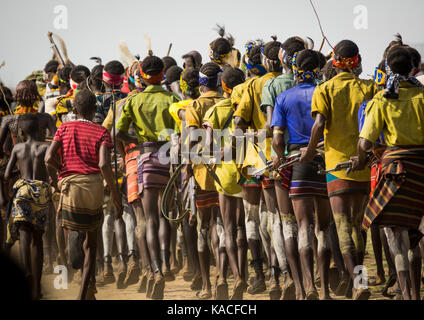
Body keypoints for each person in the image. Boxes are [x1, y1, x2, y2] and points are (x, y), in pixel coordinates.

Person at [300, 40, 378, 300]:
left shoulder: (324, 89)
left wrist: (310, 151)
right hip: (363, 166)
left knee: (343, 224)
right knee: (358, 227)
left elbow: (319, 124)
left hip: (336, 167)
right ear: (356, 61)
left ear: (334, 62)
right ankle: (361, 280)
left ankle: (358, 284)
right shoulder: (368, 87)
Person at [353, 45, 424, 300]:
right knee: (418, 234)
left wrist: (361, 160)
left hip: (396, 171)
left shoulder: (382, 99)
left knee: (396, 235)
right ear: (414, 68)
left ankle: (407, 295)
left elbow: (365, 144)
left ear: (388, 70)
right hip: (422, 168)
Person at [45, 88, 123, 300]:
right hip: (93, 187)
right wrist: (116, 196)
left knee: (71, 229)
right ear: (95, 109)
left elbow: (48, 157)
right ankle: (83, 294)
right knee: (91, 244)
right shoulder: (101, 132)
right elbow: (104, 164)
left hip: (70, 186)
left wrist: (59, 175)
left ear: (74, 108)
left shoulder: (64, 128)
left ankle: (72, 256)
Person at [116, 55, 179, 300]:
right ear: (162, 74)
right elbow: (182, 131)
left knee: (149, 219)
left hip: (146, 158)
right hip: (169, 160)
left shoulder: (134, 99)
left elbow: (119, 131)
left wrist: (138, 142)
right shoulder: (173, 98)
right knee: (166, 216)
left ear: (141, 74)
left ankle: (155, 270)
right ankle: (165, 263)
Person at [272, 49, 332, 300]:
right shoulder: (325, 93)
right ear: (318, 69)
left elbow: (276, 138)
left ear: (295, 69)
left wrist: (281, 157)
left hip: (298, 163)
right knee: (325, 228)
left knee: (304, 226)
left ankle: (308, 287)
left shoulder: (284, 97)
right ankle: (326, 290)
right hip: (327, 161)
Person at [233, 36, 282, 296]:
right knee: (279, 220)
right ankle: (281, 276)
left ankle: (260, 275)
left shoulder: (248, 87)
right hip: (285, 158)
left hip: (253, 162)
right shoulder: (290, 83)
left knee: (253, 220)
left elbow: (238, 122)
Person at [261, 36, 306, 300]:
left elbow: (270, 128)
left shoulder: (274, 86)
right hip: (316, 157)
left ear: (281, 59)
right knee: (315, 223)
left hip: (282, 159)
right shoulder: (317, 85)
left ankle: (289, 275)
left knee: (282, 222)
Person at [203, 66, 248, 299]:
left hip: (225, 174)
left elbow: (208, 144)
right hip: (249, 170)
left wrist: (216, 154)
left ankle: (237, 276)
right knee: (244, 227)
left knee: (228, 228)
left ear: (224, 86)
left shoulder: (216, 110)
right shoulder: (248, 103)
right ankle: (247, 274)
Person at [185, 62, 226, 299]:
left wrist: (187, 164)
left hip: (202, 172)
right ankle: (222, 277)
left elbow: (193, 138)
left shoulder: (196, 105)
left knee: (203, 227)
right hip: (227, 172)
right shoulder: (228, 102)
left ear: (201, 83)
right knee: (222, 227)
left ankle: (207, 286)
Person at [4, 113, 53, 299]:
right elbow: (50, 168)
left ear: (21, 132)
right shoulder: (45, 146)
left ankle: (26, 273)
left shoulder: (18, 148)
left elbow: (7, 175)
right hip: (40, 194)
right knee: (38, 239)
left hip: (23, 193)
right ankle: (38, 286)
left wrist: (21, 170)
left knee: (24, 235)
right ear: (41, 130)